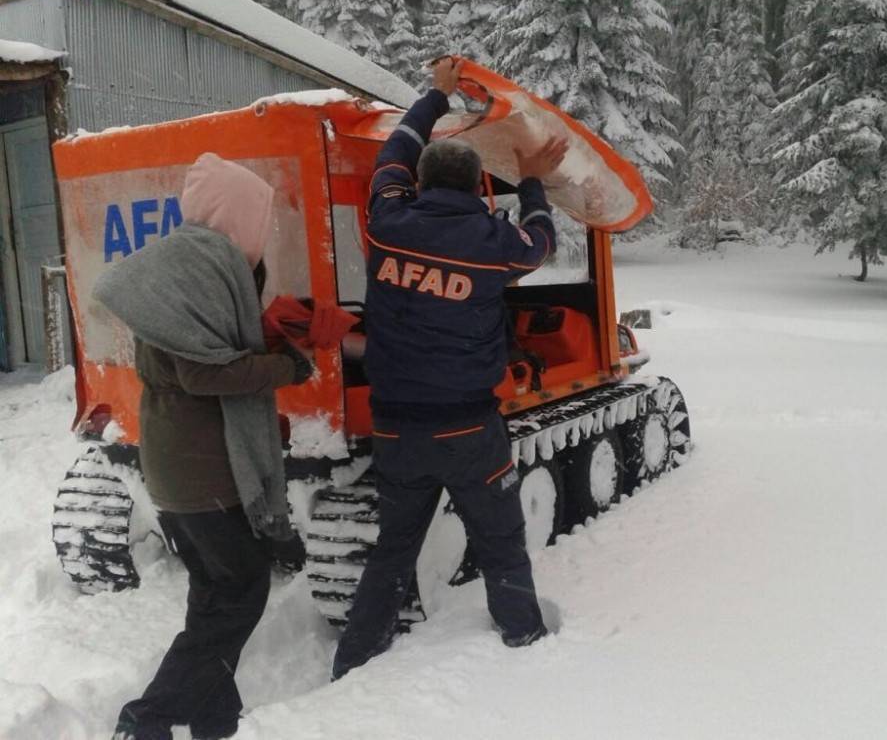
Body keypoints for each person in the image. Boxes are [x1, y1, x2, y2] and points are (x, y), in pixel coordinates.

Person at [331, 57, 569, 680]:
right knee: (499, 540)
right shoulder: (495, 246)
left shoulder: (386, 223)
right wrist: (533, 180)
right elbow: (541, 241)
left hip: (395, 431)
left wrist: (433, 99)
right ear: (474, 191)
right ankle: (523, 637)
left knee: (394, 547)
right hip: (469, 432)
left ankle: (354, 660)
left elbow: (395, 154)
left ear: (419, 184)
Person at [94, 153, 313, 740]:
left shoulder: (190, 268)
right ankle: (149, 717)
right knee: (243, 590)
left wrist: (273, 333)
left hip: (181, 467)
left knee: (217, 594)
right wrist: (284, 367)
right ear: (233, 215)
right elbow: (205, 374)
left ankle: (213, 718)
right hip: (203, 473)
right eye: (256, 220)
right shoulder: (198, 268)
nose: (260, 234)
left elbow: (199, 354)